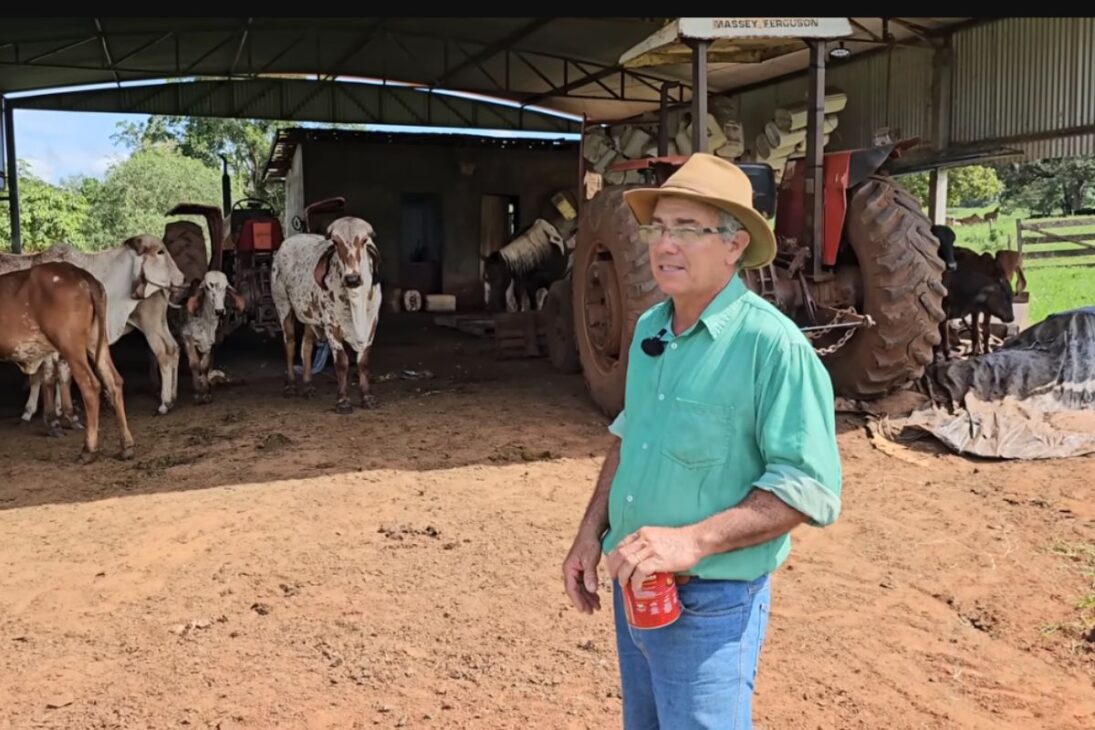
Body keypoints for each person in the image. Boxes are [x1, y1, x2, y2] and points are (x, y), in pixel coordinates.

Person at [562, 153, 842, 729]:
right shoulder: (651, 329)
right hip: (637, 589)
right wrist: (590, 533)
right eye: (658, 228)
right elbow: (630, 436)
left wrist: (692, 541)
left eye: (688, 229)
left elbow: (807, 486)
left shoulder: (773, 346)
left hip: (711, 606)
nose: (665, 245)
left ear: (735, 245)